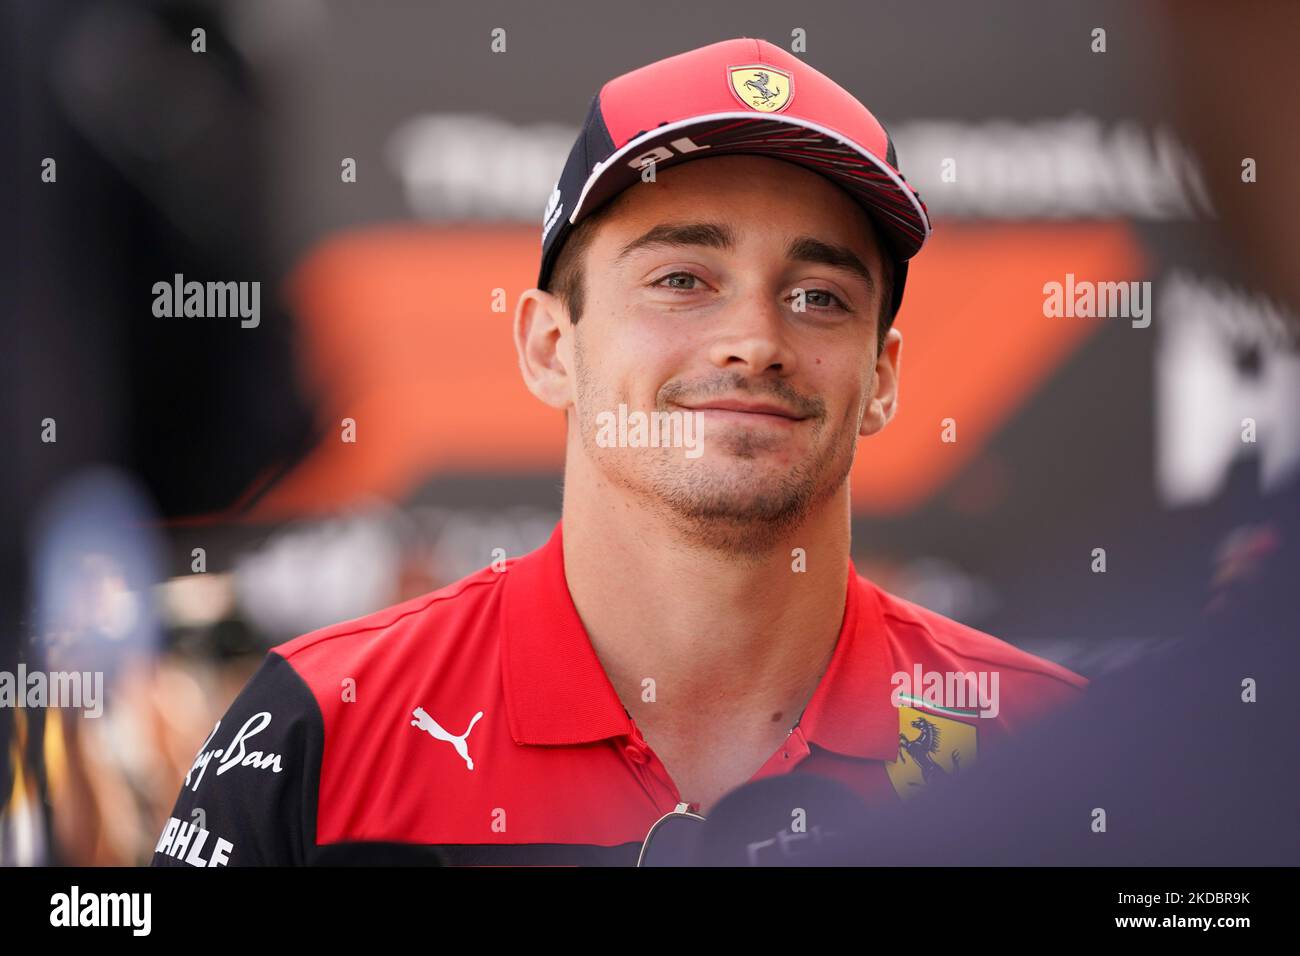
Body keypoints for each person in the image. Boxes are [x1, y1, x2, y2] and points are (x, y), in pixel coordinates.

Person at [151, 36, 1085, 868]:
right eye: (682, 279)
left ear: (881, 378)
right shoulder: (322, 726)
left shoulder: (1064, 750)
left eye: (818, 297)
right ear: (550, 347)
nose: (755, 340)